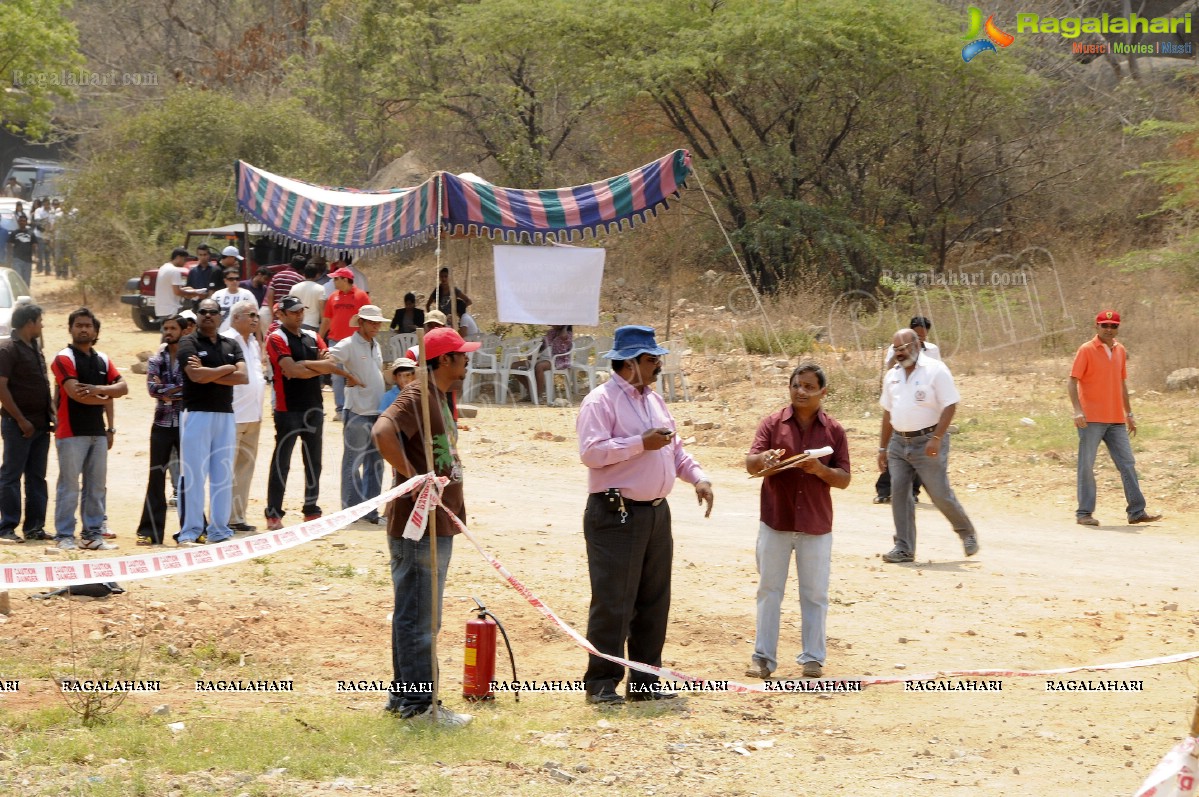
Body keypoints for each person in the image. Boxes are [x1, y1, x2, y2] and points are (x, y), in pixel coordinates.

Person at [576, 325, 715, 705]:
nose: (658, 366)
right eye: (652, 360)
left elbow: (675, 449)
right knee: (614, 600)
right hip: (615, 512)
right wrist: (640, 444)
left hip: (655, 513)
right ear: (631, 363)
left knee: (654, 599)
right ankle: (602, 683)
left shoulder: (654, 401)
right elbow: (591, 453)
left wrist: (698, 477)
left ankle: (645, 681)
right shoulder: (599, 402)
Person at [371, 326, 479, 726]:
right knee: (420, 617)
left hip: (431, 521)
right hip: (420, 524)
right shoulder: (417, 393)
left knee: (415, 614)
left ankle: (404, 701)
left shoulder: (437, 394)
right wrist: (416, 477)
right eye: (461, 354)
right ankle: (420, 708)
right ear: (445, 360)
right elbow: (382, 432)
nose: (467, 359)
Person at [744, 363, 850, 680]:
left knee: (815, 594)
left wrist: (820, 470)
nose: (800, 391)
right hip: (776, 520)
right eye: (795, 385)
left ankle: (813, 660)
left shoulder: (834, 431)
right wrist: (764, 461)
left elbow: (844, 479)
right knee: (768, 591)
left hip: (815, 526)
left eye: (808, 386)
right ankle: (762, 659)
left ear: (822, 392)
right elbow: (751, 464)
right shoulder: (772, 424)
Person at [876, 328, 977, 563]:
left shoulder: (936, 370)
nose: (899, 354)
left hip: (928, 441)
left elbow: (950, 404)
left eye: (903, 348)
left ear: (916, 345)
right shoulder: (892, 375)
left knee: (939, 493)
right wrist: (882, 448)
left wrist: (937, 438)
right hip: (899, 443)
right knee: (899, 492)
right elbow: (887, 412)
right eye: (896, 349)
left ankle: (967, 533)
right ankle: (904, 547)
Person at [265, 295, 357, 530]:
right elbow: (291, 369)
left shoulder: (313, 336)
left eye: (300, 311)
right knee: (281, 462)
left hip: (313, 406)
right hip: (288, 408)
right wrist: (312, 367)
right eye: (294, 311)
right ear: (281, 315)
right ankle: (274, 512)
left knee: (314, 461)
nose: (299, 315)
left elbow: (329, 365)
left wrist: (304, 367)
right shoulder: (276, 338)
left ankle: (311, 509)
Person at [1069, 310, 1162, 526]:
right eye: (1105, 325)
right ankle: (1084, 513)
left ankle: (1137, 512)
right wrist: (1077, 410)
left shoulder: (1120, 350)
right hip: (1090, 419)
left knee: (1127, 463)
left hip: (1116, 419)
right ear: (1096, 326)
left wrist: (1128, 414)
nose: (1109, 329)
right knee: (1086, 465)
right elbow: (1072, 381)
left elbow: (1121, 384)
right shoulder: (1086, 350)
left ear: (1118, 328)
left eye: (1113, 325)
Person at [51, 308, 127, 551]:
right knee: (69, 486)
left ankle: (92, 535)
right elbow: (76, 394)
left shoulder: (103, 359)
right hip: (71, 432)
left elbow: (123, 388)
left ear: (95, 331)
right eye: (78, 325)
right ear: (71, 329)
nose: (83, 329)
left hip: (99, 432)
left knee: (96, 485)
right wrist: (105, 392)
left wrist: (111, 428)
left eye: (88, 325)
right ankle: (64, 535)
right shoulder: (63, 358)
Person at [175, 298, 247, 546]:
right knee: (193, 474)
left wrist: (211, 372)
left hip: (225, 415)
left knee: (222, 476)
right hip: (197, 414)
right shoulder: (188, 342)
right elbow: (195, 375)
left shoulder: (231, 343)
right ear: (197, 316)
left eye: (213, 312)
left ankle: (219, 530)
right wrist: (226, 369)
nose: (208, 315)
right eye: (203, 312)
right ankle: (190, 531)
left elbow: (243, 377)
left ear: (220, 315)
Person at [329, 305, 387, 524]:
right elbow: (327, 359)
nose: (376, 326)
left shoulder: (376, 345)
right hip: (358, 411)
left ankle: (370, 512)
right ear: (360, 322)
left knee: (375, 464)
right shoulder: (348, 344)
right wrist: (346, 375)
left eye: (377, 322)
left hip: (377, 411)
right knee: (353, 463)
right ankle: (350, 512)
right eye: (371, 322)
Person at [0, 304, 52, 543]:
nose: (42, 325)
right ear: (29, 322)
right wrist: (21, 420)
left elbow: (42, 383)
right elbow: (1, 388)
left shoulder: (35, 347)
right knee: (11, 475)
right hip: (18, 425)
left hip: (41, 425)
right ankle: (7, 527)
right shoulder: (8, 349)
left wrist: (51, 414)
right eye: (39, 320)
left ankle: (34, 527)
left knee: (36, 477)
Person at [874, 316, 939, 504]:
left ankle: (913, 492)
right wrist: (901, 352)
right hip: (901, 403)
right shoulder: (896, 348)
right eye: (916, 336)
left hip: (922, 405)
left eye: (923, 336)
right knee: (894, 450)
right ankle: (884, 490)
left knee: (920, 454)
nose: (920, 339)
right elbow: (889, 368)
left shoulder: (933, 350)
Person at [135, 316, 185, 545]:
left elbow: (191, 386)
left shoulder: (189, 356)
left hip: (185, 423)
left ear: (183, 331)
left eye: (173, 328)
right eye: (165, 328)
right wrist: (175, 390)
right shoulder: (157, 358)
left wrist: (167, 391)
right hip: (162, 424)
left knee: (188, 478)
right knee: (156, 476)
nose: (168, 332)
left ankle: (193, 528)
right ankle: (150, 531)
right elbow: (152, 389)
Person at [222, 301, 266, 533]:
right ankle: (221, 518)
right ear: (236, 317)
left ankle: (237, 517)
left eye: (257, 315)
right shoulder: (227, 340)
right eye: (250, 315)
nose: (255, 319)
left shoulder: (252, 342)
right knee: (226, 469)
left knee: (244, 469)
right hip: (234, 415)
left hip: (253, 416)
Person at [319, 267, 370, 420]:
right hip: (335, 341)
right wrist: (320, 338)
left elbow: (367, 319)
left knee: (357, 373)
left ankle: (356, 407)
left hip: (355, 341)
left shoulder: (361, 296)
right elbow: (326, 320)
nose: (333, 281)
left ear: (345, 279)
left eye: (336, 278)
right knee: (336, 376)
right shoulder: (333, 297)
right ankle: (340, 409)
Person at [155, 247, 199, 321]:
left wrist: (187, 289)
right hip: (171, 309)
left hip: (161, 309)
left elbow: (171, 288)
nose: (185, 262)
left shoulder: (163, 268)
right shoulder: (174, 271)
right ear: (178, 257)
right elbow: (177, 291)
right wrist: (191, 294)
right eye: (184, 259)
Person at [289, 263, 326, 331]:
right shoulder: (320, 289)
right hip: (312, 325)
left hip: (296, 324)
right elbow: (322, 311)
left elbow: (290, 307)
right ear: (317, 275)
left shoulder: (294, 288)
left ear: (304, 274)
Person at [6, 215, 35, 288]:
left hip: (28, 260)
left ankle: (26, 296)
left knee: (26, 280)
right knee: (18, 279)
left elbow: (34, 245)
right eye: (20, 221)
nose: (22, 222)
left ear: (26, 222)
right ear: (18, 222)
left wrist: (35, 256)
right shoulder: (14, 233)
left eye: (24, 221)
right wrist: (9, 258)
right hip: (17, 260)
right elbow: (9, 246)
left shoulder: (31, 233)